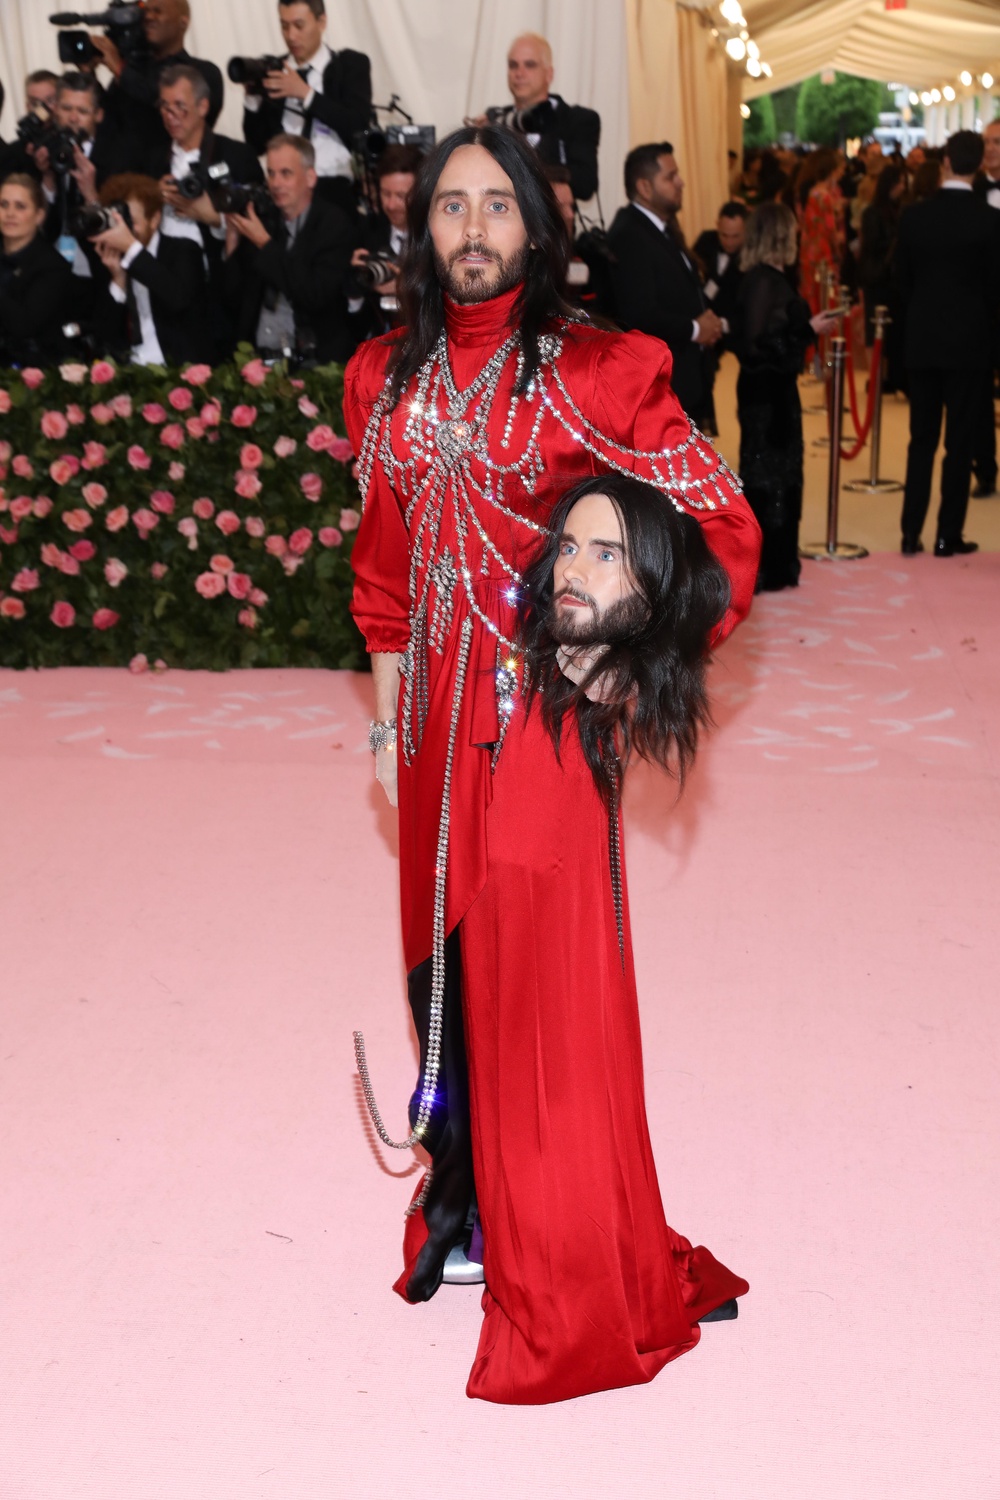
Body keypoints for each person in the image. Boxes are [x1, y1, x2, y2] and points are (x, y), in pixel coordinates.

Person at [343, 124, 760, 1405]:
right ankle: (473, 1212)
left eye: (497, 207)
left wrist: (628, 661)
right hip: (426, 734)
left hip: (537, 723)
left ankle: (567, 1259)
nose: (472, 229)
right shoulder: (378, 379)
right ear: (423, 231)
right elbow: (381, 578)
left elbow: (721, 530)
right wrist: (387, 713)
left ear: (536, 227)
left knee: (544, 989)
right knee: (444, 962)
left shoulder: (598, 370)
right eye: (450, 207)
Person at [896, 130, 1000, 556]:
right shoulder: (990, 220)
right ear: (978, 165)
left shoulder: (914, 217)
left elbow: (900, 283)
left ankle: (909, 533)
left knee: (920, 439)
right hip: (970, 346)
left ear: (944, 163)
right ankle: (946, 535)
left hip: (922, 340)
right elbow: (996, 292)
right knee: (959, 442)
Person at [732, 203, 839, 591]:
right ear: (779, 235)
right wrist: (806, 328)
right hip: (766, 392)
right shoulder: (763, 280)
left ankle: (777, 562)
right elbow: (755, 345)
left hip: (775, 390)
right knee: (767, 475)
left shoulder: (771, 278)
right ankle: (765, 566)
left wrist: (807, 329)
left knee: (782, 473)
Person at [607, 142, 722, 427]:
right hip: (659, 386)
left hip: (681, 377)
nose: (680, 182)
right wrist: (696, 329)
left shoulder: (660, 227)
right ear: (645, 187)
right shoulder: (630, 235)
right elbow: (639, 314)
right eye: (670, 177)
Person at [223, 134, 358, 363]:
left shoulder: (333, 223)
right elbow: (232, 296)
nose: (275, 183)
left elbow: (313, 294)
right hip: (256, 362)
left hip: (314, 364)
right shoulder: (263, 218)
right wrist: (233, 240)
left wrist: (264, 243)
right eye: (271, 173)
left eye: (286, 173)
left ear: (310, 177)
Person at [241, 0, 372, 216]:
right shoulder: (274, 70)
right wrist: (252, 98)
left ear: (321, 21)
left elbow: (357, 125)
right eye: (284, 26)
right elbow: (256, 145)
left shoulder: (348, 65)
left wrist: (306, 94)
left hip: (332, 186)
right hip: (282, 190)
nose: (291, 36)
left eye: (299, 25)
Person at [90, 171, 212, 365]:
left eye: (131, 222)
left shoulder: (183, 250)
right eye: (117, 224)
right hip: (129, 373)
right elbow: (104, 335)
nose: (125, 232)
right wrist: (118, 280)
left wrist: (132, 249)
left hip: (178, 370)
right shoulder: (110, 257)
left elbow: (178, 298)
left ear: (154, 219)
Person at [92, 0, 224, 176]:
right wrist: (89, 74)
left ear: (183, 22)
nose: (148, 17)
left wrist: (120, 69)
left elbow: (155, 98)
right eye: (145, 12)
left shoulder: (202, 72)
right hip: (119, 185)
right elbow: (103, 118)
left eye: (157, 11)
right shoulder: (130, 73)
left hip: (170, 183)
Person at [475, 33, 600, 203]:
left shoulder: (577, 119)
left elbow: (585, 183)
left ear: (549, 74)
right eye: (513, 65)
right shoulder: (497, 120)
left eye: (530, 65)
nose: (519, 73)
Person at [0, 172, 75, 366]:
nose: (10, 214)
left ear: (39, 215)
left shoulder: (53, 266)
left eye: (20, 206)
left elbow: (24, 326)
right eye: (3, 205)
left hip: (35, 372)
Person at [349, 142, 421, 335]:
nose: (390, 205)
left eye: (400, 196)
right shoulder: (368, 230)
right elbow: (354, 322)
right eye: (385, 193)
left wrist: (409, 288)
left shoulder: (437, 237)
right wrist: (356, 282)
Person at [693, 201, 747, 433]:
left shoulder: (752, 254)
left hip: (738, 324)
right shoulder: (705, 242)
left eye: (736, 236)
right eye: (724, 235)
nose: (729, 242)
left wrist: (722, 325)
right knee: (702, 372)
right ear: (717, 227)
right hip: (705, 319)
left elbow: (748, 306)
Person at [971, 117, 1000, 497]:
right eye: (987, 141)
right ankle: (985, 469)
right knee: (977, 395)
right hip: (980, 308)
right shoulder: (970, 191)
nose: (991, 148)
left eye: (997, 141)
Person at [798, 148, 844, 315]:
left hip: (808, 247)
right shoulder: (825, 196)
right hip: (822, 249)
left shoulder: (813, 192)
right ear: (832, 171)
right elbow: (830, 228)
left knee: (811, 291)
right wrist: (837, 250)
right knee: (825, 292)